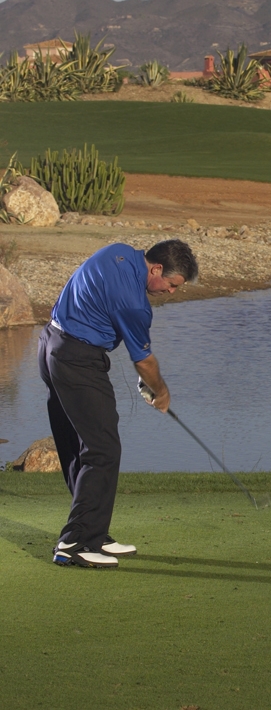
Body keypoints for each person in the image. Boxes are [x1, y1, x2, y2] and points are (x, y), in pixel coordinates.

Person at [38, 239, 198, 568]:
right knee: (103, 450)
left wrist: (145, 377)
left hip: (50, 345)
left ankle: (93, 532)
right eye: (172, 284)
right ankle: (75, 542)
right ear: (156, 269)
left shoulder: (117, 252)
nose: (171, 292)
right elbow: (144, 361)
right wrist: (161, 391)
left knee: (77, 446)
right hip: (77, 361)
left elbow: (103, 307)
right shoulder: (136, 305)